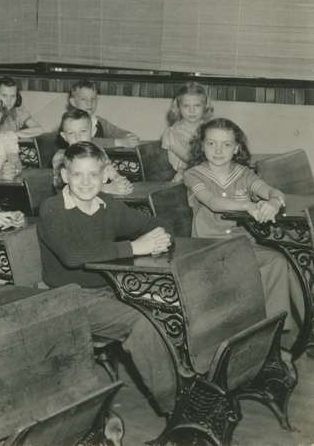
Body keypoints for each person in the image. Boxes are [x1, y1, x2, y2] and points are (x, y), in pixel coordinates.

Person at [37, 141, 176, 413]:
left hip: (110, 289)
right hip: (66, 297)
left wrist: (159, 236)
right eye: (77, 174)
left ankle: (184, 381)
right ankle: (173, 406)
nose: (86, 182)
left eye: (93, 175)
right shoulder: (53, 208)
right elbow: (74, 256)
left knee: (170, 306)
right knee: (142, 323)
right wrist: (136, 247)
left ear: (105, 177)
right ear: (65, 176)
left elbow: (157, 223)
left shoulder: (108, 205)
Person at [184, 118, 303, 349]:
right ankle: (274, 336)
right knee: (276, 261)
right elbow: (213, 202)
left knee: (283, 259)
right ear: (202, 145)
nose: (218, 150)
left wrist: (274, 202)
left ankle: (279, 334)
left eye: (227, 145)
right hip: (209, 248)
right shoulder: (194, 175)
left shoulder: (244, 174)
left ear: (237, 147)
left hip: (241, 245)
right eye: (211, 143)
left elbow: (271, 191)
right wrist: (248, 206)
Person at [51, 109, 133, 194]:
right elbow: (66, 187)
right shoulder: (61, 157)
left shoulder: (98, 151)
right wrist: (106, 188)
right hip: (71, 200)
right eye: (71, 133)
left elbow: (109, 169)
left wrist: (119, 180)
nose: (78, 137)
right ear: (64, 136)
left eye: (83, 131)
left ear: (92, 132)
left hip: (96, 194)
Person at [161, 82, 211, 180]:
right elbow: (189, 158)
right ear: (178, 108)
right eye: (186, 106)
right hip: (181, 174)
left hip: (204, 170)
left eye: (197, 105)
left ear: (205, 107)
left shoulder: (208, 129)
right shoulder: (172, 133)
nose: (192, 111)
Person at [67, 80, 139, 148]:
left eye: (93, 99)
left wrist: (129, 137)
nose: (89, 103)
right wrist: (119, 142)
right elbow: (84, 142)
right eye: (83, 99)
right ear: (73, 102)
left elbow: (116, 132)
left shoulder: (99, 122)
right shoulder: (70, 122)